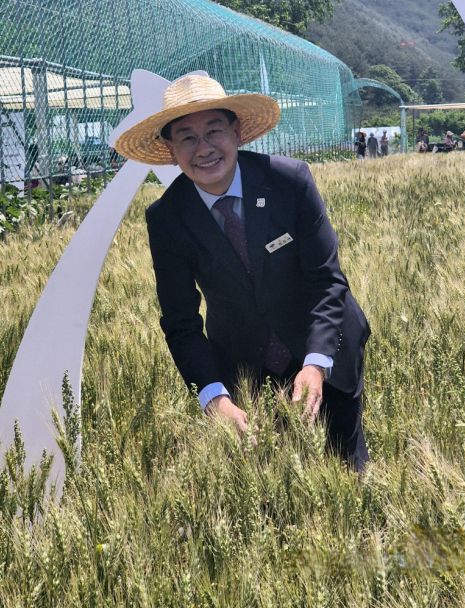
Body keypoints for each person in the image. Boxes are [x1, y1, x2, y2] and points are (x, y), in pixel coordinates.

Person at [115, 75, 370, 470]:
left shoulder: (289, 181)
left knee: (344, 467)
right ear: (170, 149)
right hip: (245, 363)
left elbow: (326, 281)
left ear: (236, 132)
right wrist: (214, 397)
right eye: (186, 138)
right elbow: (181, 321)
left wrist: (315, 364)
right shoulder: (167, 217)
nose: (203, 149)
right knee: (267, 485)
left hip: (326, 345)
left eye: (213, 131)